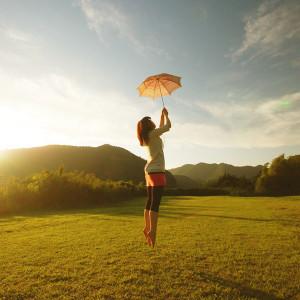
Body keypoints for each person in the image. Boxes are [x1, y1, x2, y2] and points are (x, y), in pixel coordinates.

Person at [136, 107, 171, 248]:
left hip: (149, 172)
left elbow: (161, 127)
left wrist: (161, 115)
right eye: (151, 121)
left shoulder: (147, 137)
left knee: (150, 201)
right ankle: (152, 231)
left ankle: (147, 227)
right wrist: (167, 116)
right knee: (155, 203)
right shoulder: (153, 134)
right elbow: (167, 127)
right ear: (148, 125)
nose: (153, 122)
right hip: (157, 172)